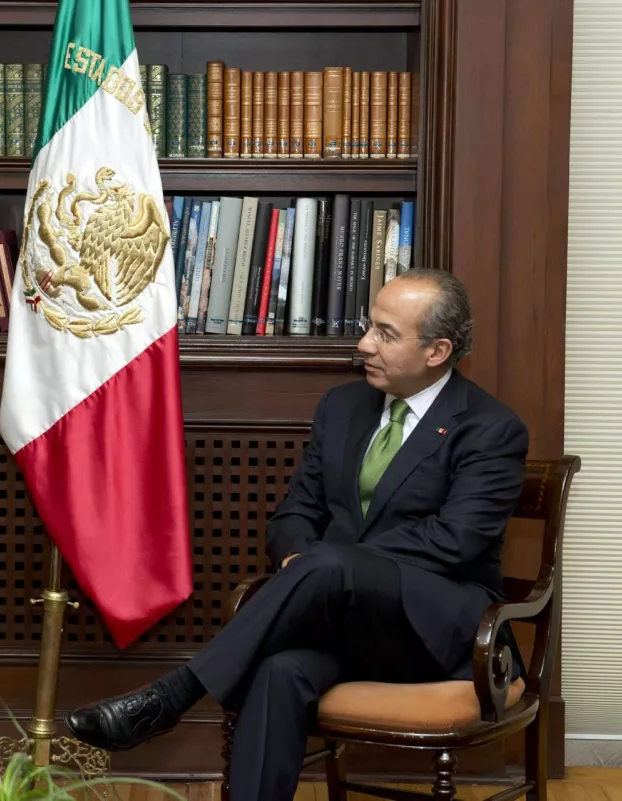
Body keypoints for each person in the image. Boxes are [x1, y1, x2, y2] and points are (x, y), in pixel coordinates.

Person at [64, 269, 530, 801]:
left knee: (331, 565)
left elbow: (456, 541)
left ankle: (172, 697)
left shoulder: (490, 428)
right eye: (368, 326)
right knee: (278, 671)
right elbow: (294, 514)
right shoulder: (341, 407)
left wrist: (329, 566)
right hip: (346, 623)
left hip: (441, 630)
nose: (364, 345)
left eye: (385, 333)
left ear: (437, 351)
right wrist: (300, 558)